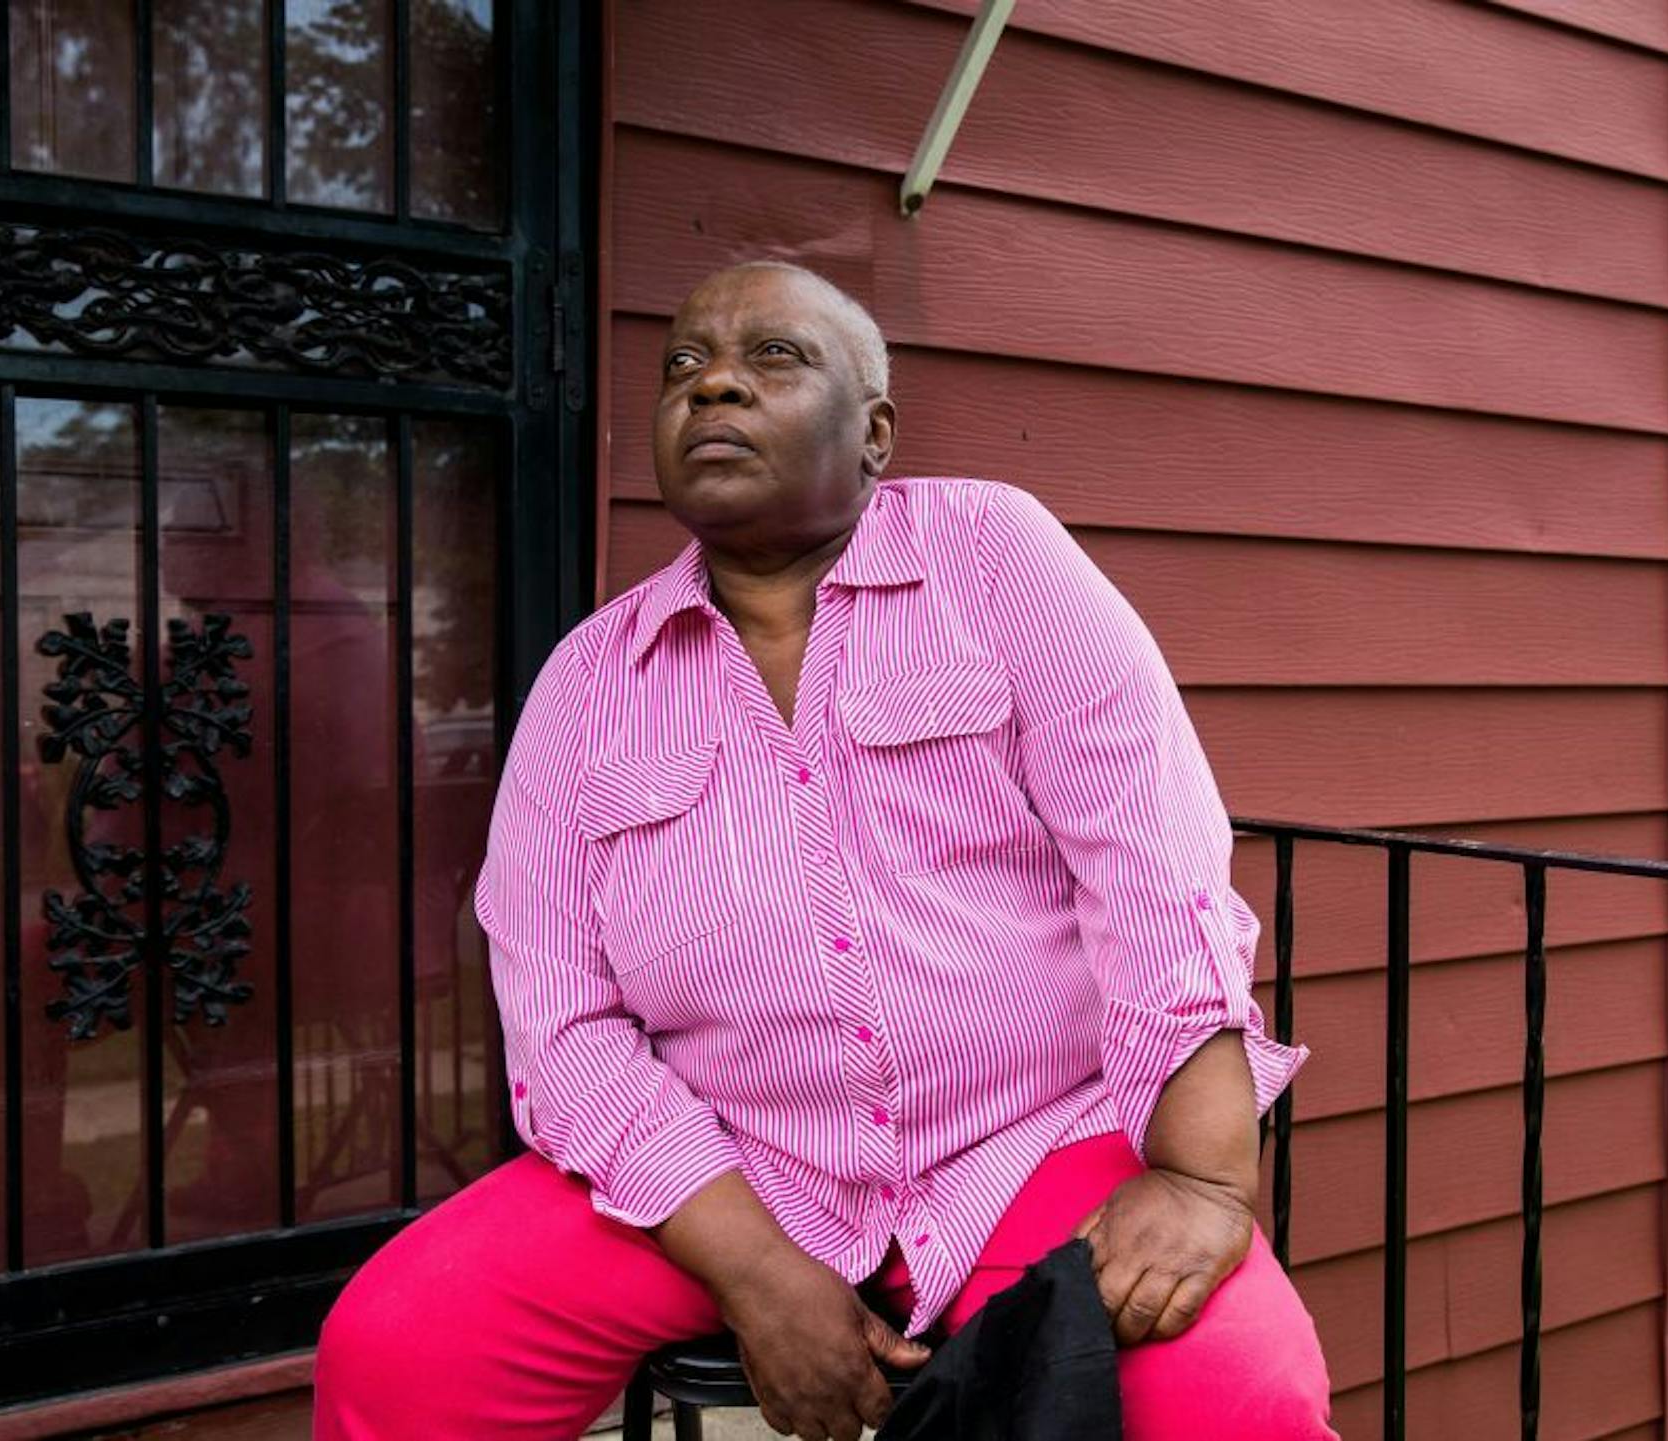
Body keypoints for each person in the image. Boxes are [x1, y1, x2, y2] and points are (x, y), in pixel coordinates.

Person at [313, 261, 1336, 1440]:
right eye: (683, 367)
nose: (714, 389)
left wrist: (1206, 1177)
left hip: (1033, 1141)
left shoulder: (997, 557)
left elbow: (1151, 866)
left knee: (1230, 1395)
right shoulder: (587, 685)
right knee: (399, 1347)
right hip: (730, 1168)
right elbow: (561, 1023)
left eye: (773, 358)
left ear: (875, 432)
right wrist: (755, 1269)